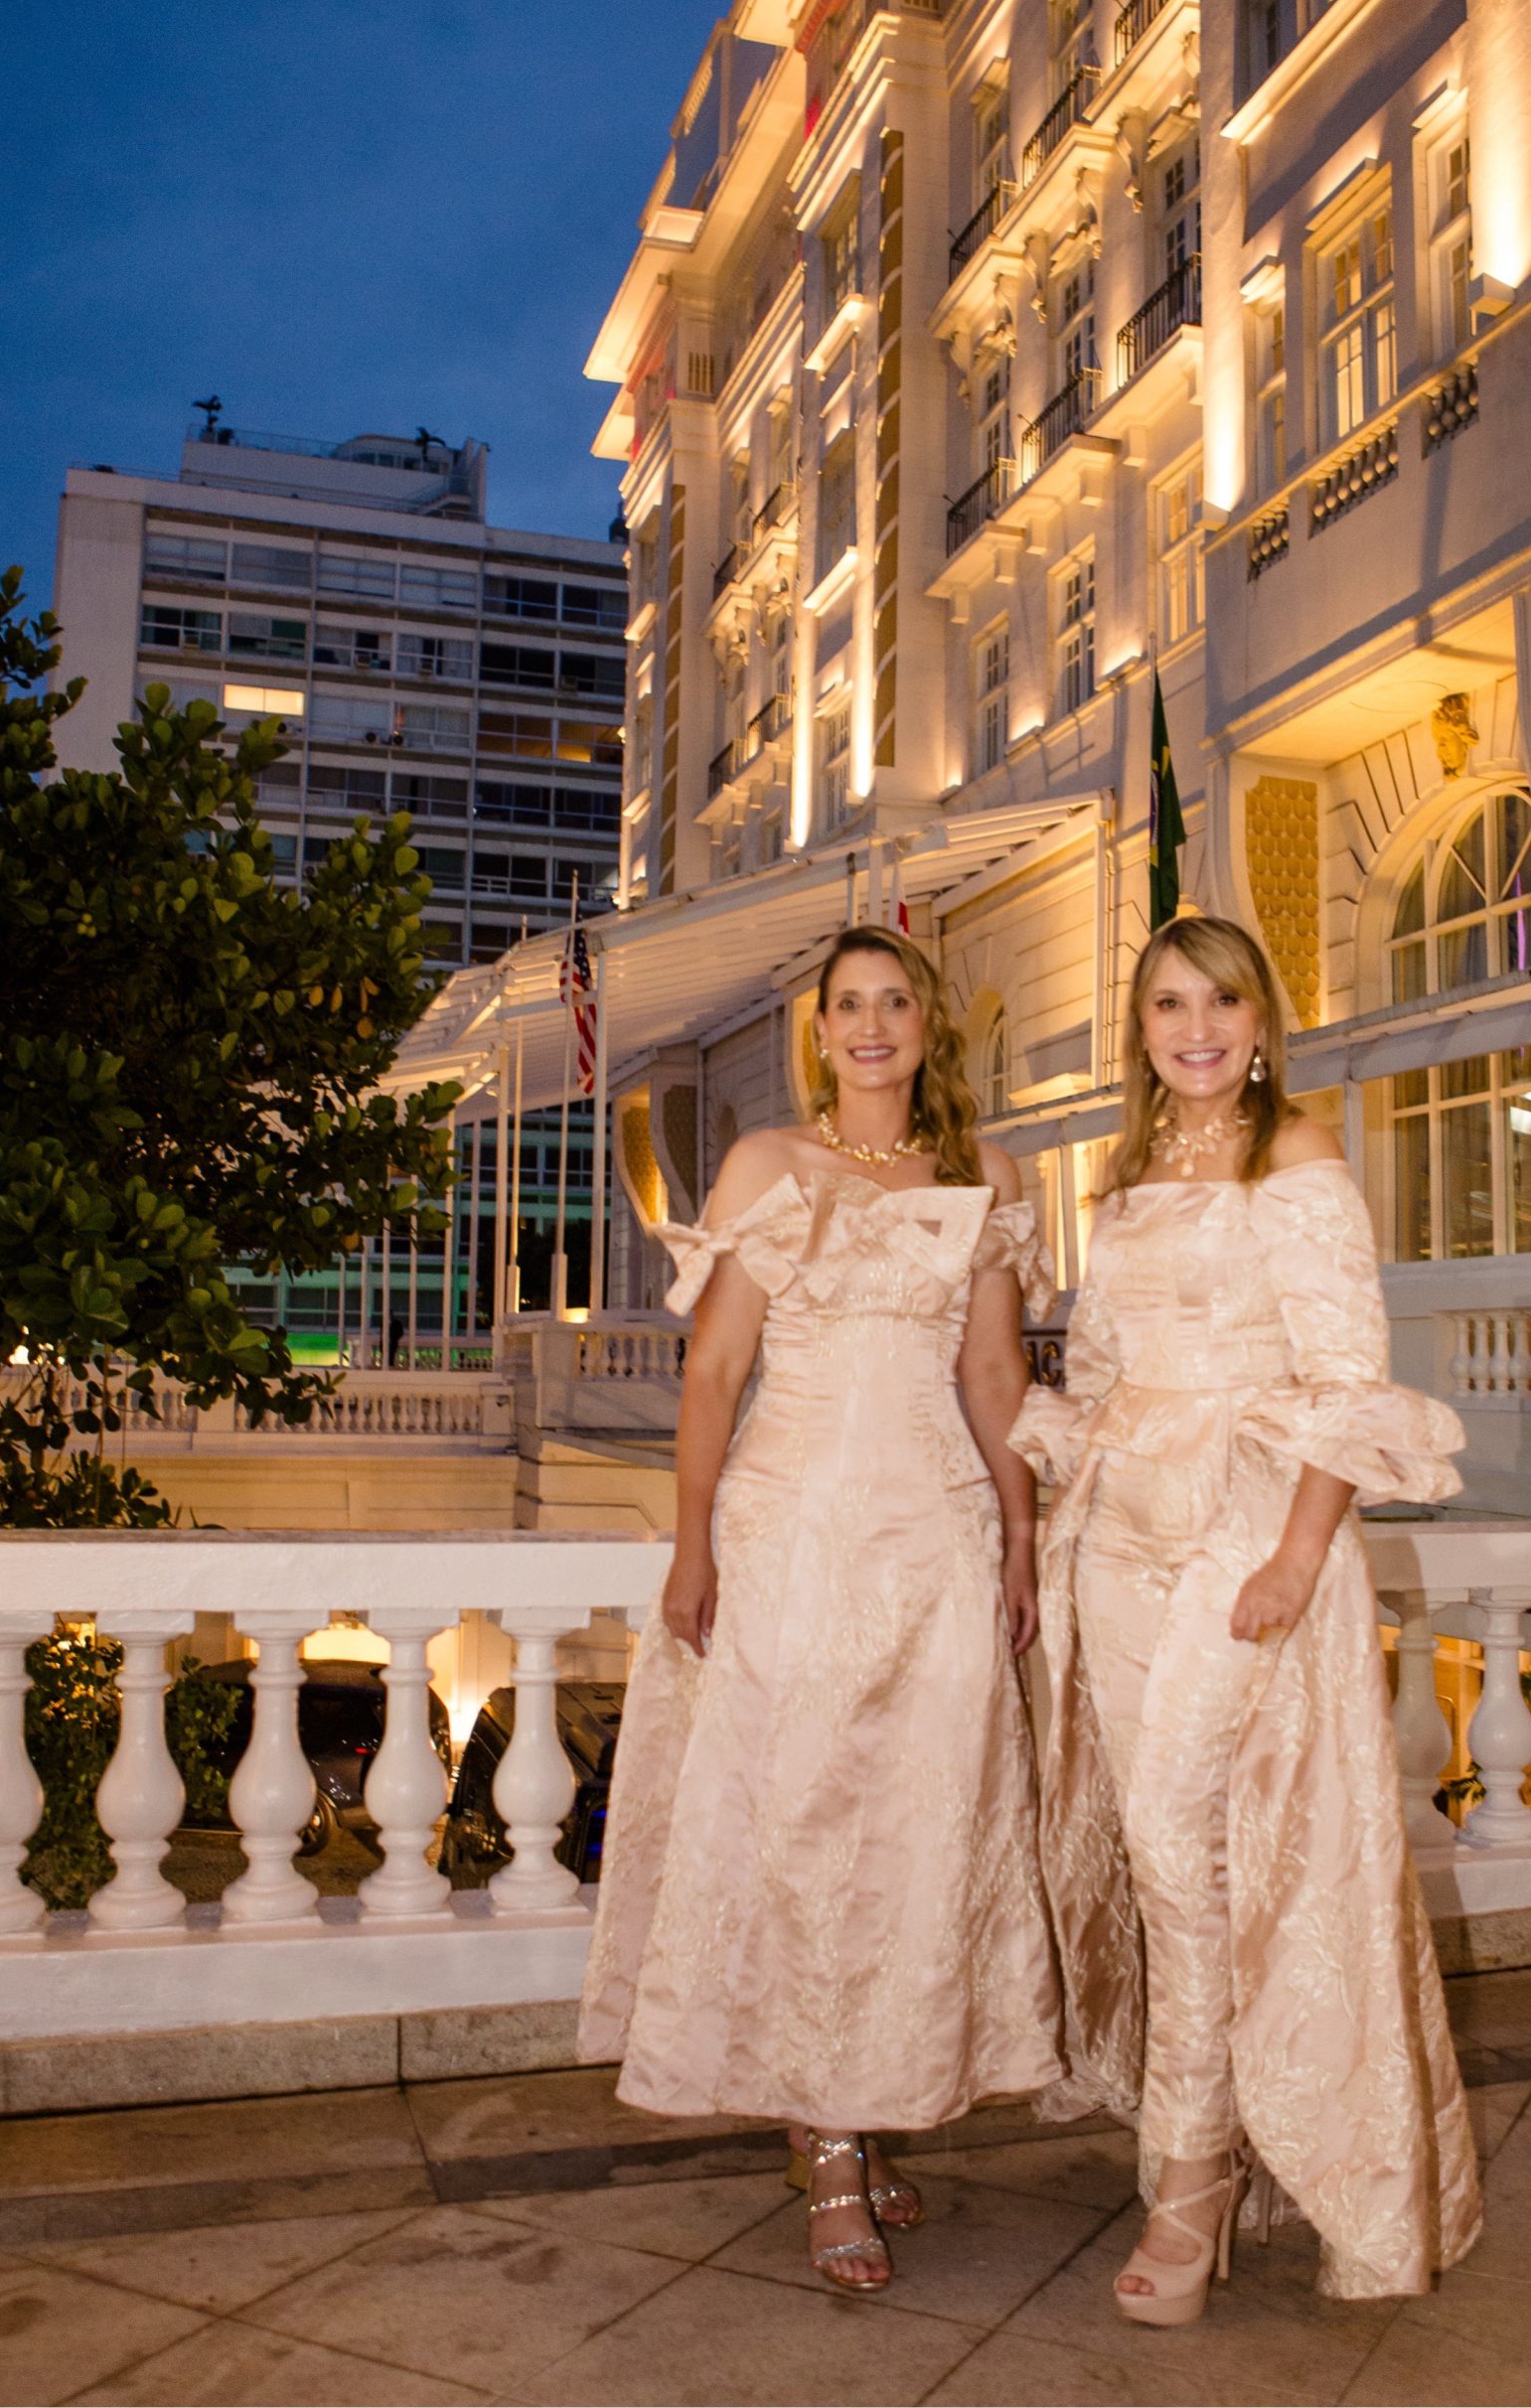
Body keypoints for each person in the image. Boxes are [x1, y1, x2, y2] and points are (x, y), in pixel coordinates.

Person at [578, 923, 1064, 2295]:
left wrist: (1020, 1536)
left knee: (913, 1833)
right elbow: (716, 1375)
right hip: (789, 1533)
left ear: (926, 1025)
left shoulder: (983, 1175)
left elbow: (989, 1375)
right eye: (845, 1006)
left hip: (937, 1546)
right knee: (798, 1826)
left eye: (891, 1002)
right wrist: (690, 1551)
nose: (868, 1026)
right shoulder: (767, 1167)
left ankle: (849, 2107)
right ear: (819, 1034)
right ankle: (832, 2151)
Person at [1010, 914, 1481, 2325]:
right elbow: (1095, 1371)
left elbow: (1344, 1371)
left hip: (1244, 1532)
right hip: (1120, 1537)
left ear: (1261, 1020)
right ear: (1139, 1028)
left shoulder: (1300, 1154)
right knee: (1169, 1861)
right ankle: (1195, 2150)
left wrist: (1293, 1553)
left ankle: (1191, 2182)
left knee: (1172, 1843)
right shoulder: (1129, 1169)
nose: (1194, 1026)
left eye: (1220, 1000)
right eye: (1166, 1003)